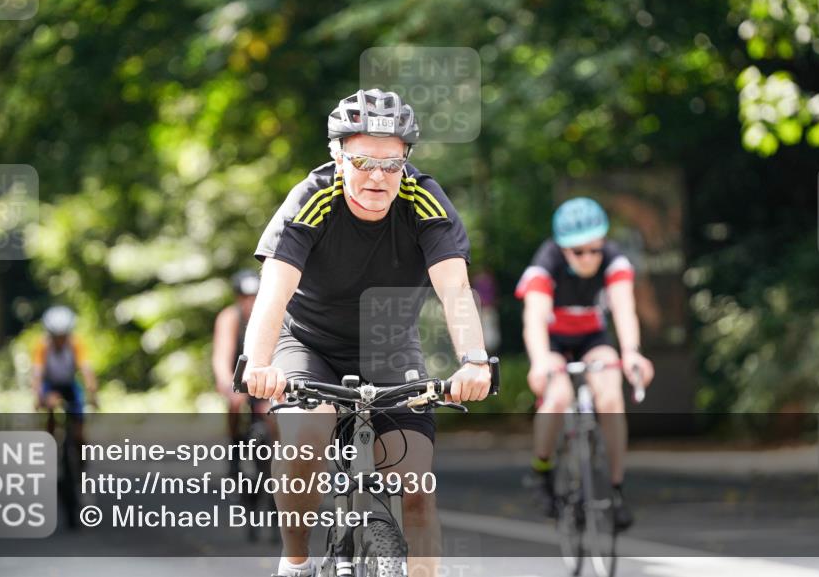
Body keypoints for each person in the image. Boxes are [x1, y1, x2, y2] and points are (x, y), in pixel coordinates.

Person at [241, 88, 493, 577]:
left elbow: (456, 289)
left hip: (389, 346)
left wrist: (475, 359)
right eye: (362, 160)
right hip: (309, 343)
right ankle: (294, 561)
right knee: (306, 438)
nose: (378, 176)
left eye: (392, 164)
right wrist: (257, 363)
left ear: (406, 162)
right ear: (337, 156)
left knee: (416, 486)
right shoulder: (312, 199)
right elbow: (273, 291)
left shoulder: (424, 201)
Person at [516, 197, 654, 530]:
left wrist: (632, 352)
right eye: (579, 252)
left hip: (592, 337)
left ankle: (617, 488)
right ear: (563, 249)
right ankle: (541, 469)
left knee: (610, 396)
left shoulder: (614, 259)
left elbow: (623, 309)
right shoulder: (545, 262)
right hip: (554, 340)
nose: (590, 258)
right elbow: (534, 317)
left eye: (595, 248)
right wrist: (539, 363)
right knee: (559, 395)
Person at [212, 269, 272, 441]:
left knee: (270, 412)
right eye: (245, 298)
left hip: (263, 374)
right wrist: (228, 384)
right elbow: (221, 358)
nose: (250, 303)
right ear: (238, 298)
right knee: (235, 403)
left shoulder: (271, 317)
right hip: (236, 375)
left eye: (255, 297)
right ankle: (234, 447)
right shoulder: (229, 317)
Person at [33, 306, 99, 443]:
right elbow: (37, 374)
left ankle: (80, 447)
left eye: (63, 336)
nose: (60, 340)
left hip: (70, 384)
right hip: (51, 385)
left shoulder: (75, 345)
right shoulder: (43, 347)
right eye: (56, 336)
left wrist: (92, 393)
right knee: (50, 410)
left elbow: (86, 370)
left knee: (78, 418)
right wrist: (38, 397)